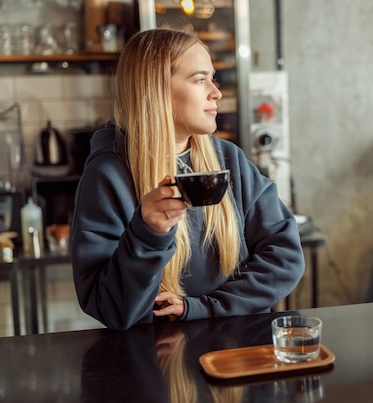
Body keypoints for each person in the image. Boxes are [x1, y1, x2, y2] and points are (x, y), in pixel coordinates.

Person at [70, 28, 304, 331]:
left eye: (213, 77)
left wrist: (203, 308)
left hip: (238, 353)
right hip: (154, 362)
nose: (216, 92)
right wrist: (148, 233)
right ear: (156, 89)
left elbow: (285, 257)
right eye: (199, 79)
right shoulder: (108, 176)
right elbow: (110, 308)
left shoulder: (228, 159)